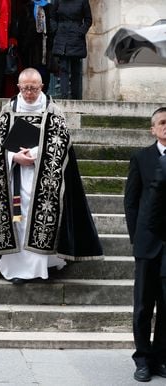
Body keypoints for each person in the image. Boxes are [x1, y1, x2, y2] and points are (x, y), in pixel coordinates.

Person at [0, 68, 103, 284]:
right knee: (18, 219)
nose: (28, 93)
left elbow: (60, 143)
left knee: (39, 218)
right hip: (13, 177)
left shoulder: (53, 111)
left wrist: (35, 155)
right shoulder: (8, 110)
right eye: (24, 88)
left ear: (41, 87)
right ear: (18, 87)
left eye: (33, 88)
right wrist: (14, 157)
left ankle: (38, 268)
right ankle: (15, 268)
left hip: (44, 177)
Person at [124, 107, 166, 382]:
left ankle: (161, 359)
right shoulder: (141, 158)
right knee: (142, 306)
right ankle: (142, 359)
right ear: (153, 129)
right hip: (147, 243)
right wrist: (136, 239)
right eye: (162, 123)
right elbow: (130, 202)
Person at [50, 0, 92, 100]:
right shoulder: (58, 1)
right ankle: (64, 96)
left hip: (76, 37)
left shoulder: (83, 1)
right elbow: (52, 17)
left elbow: (88, 19)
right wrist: (55, 29)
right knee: (63, 67)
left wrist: (81, 31)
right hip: (62, 35)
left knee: (76, 69)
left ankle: (76, 97)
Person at [17, 0, 53, 92]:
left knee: (44, 72)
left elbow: (52, 27)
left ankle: (44, 93)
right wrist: (24, 45)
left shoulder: (49, 8)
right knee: (31, 71)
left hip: (45, 46)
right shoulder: (27, 7)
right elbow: (21, 28)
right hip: (30, 47)